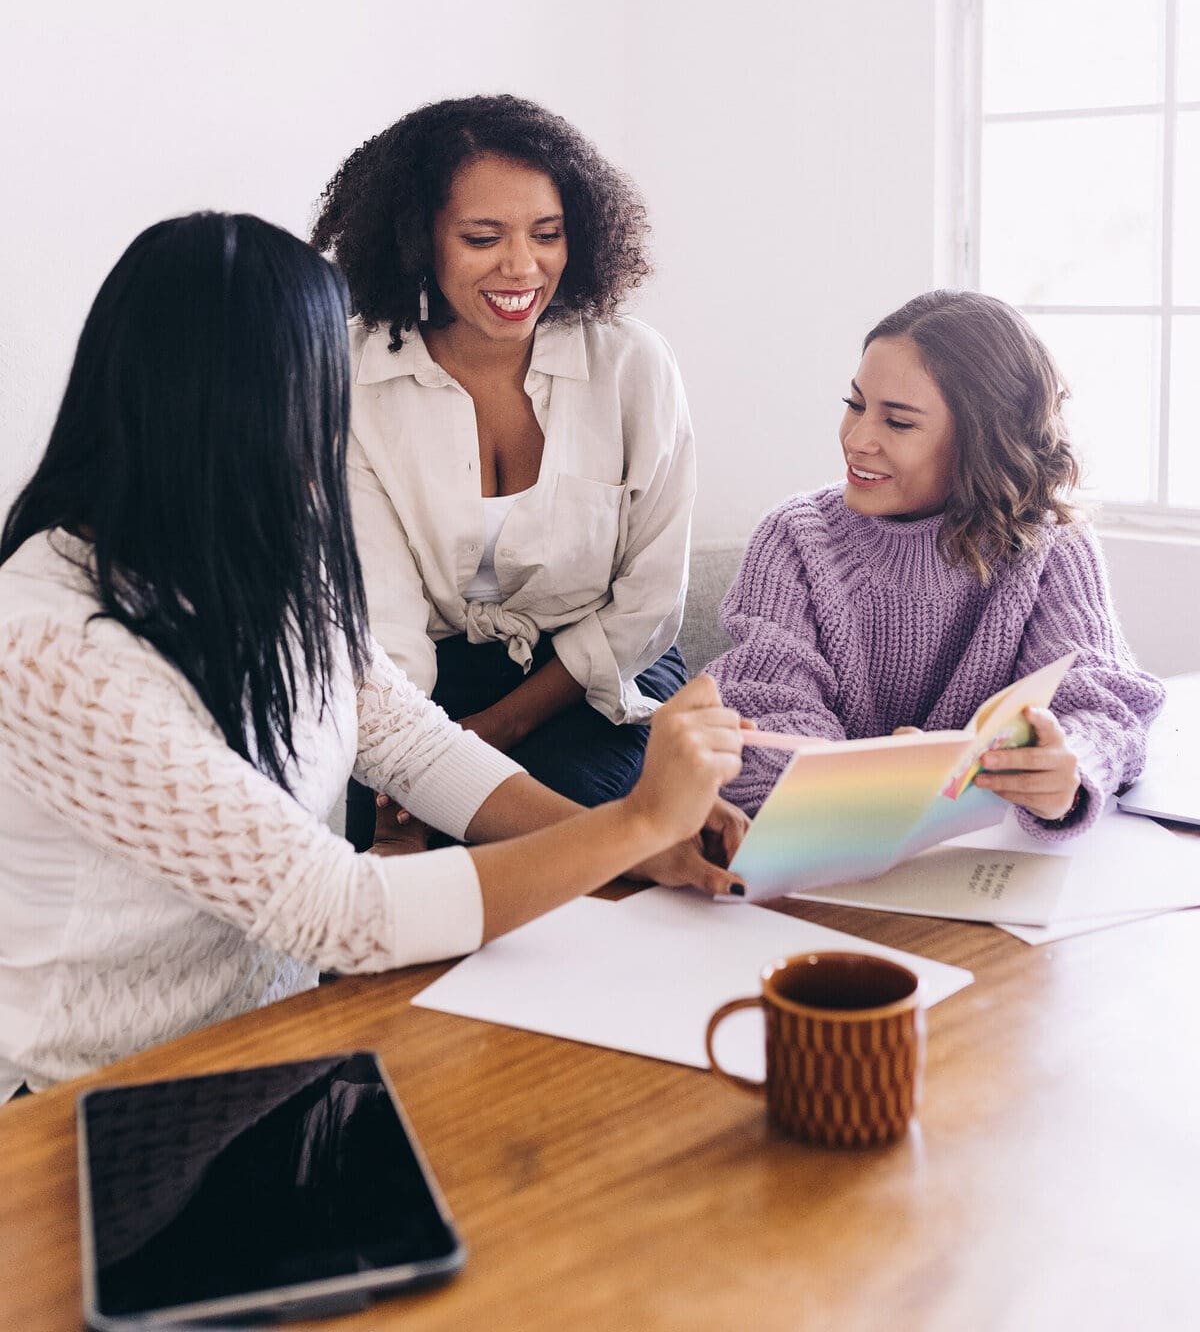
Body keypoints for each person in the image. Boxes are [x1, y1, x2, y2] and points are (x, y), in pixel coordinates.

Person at [0, 214, 745, 1099]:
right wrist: (635, 823)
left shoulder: (260, 558)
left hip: (274, 1054)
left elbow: (410, 742)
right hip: (78, 1105)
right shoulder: (45, 645)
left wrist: (627, 849)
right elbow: (343, 914)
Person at [311, 95, 724, 851]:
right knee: (413, 876)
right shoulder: (350, 374)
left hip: (600, 682)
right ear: (418, 240)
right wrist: (404, 773)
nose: (522, 267)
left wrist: (500, 726)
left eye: (547, 234)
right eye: (481, 237)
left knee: (570, 853)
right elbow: (385, 627)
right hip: (422, 689)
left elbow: (650, 604)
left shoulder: (631, 366)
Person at [708, 289, 1163, 835]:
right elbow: (763, 721)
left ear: (982, 441)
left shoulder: (1051, 545)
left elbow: (1105, 705)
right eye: (855, 405)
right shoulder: (795, 538)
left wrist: (1069, 765)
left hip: (989, 863)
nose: (857, 438)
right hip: (821, 858)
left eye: (897, 423)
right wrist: (888, 784)